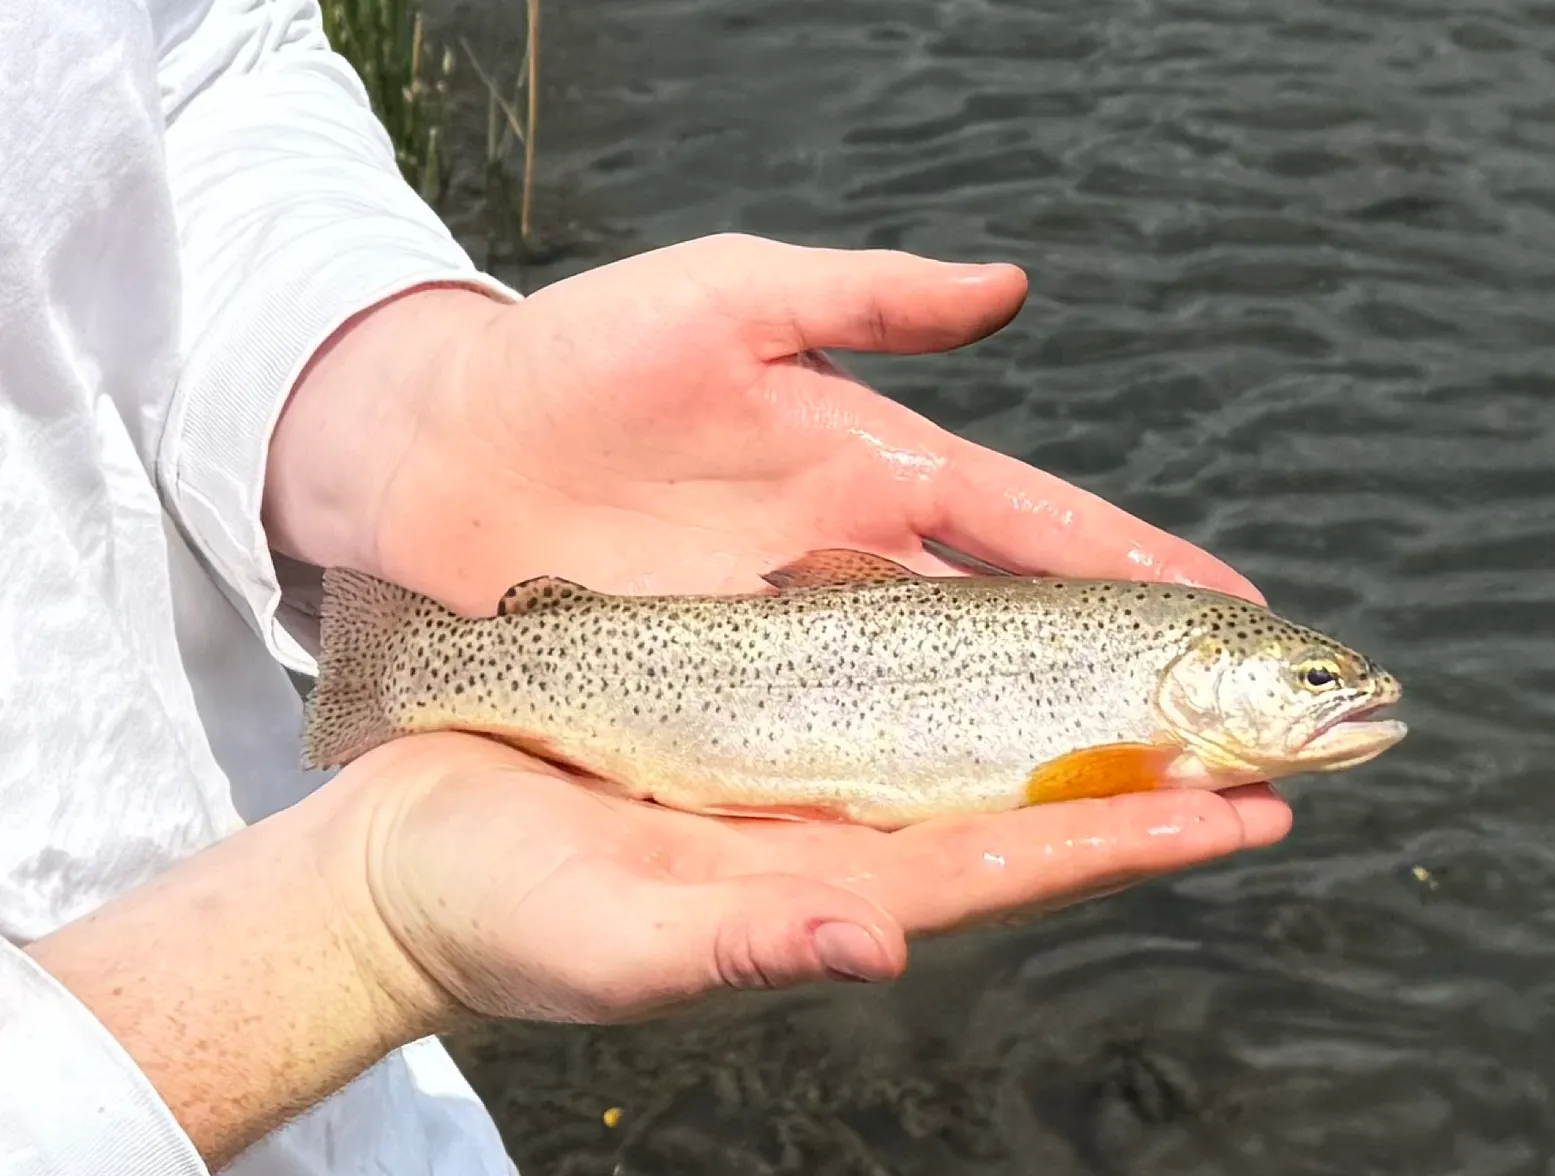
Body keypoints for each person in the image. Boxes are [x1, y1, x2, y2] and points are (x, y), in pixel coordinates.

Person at [0, 2, 1292, 1174]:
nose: (1342, 697)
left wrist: (396, 396)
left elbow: (186, 74)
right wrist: (348, 942)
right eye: (1314, 683)